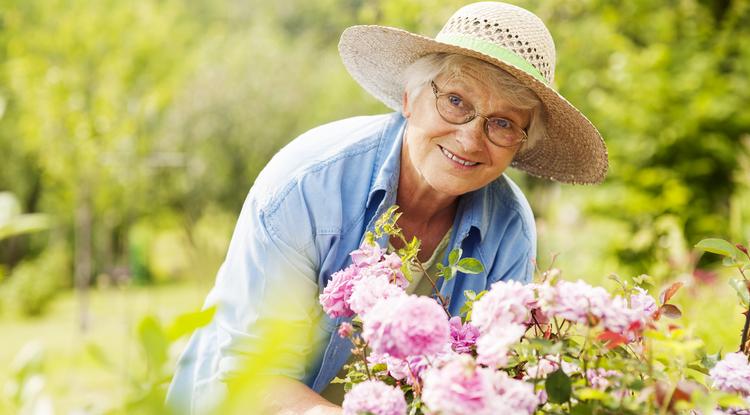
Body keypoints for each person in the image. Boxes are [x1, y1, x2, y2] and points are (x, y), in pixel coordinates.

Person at [167, 2, 608, 414]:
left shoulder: (509, 228)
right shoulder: (308, 186)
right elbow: (255, 375)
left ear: (521, 145)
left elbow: (486, 379)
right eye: (456, 101)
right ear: (409, 98)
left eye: (503, 124)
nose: (471, 139)